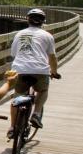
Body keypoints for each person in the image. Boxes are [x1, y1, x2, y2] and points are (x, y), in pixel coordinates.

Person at [8, 7, 59, 138]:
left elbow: (13, 54)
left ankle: (12, 128)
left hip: (20, 69)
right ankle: (36, 114)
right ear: (43, 22)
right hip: (40, 70)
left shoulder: (19, 34)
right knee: (43, 90)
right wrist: (54, 71)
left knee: (17, 97)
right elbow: (52, 57)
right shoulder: (48, 36)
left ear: (27, 20)